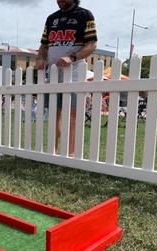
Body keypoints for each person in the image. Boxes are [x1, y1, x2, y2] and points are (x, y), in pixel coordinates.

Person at [37, 0, 97, 156]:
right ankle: (53, 150)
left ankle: (71, 153)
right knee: (54, 113)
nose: (59, 0)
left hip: (75, 71)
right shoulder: (51, 18)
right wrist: (41, 58)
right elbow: (43, 45)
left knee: (72, 114)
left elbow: (92, 44)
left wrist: (72, 57)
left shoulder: (84, 15)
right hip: (54, 72)